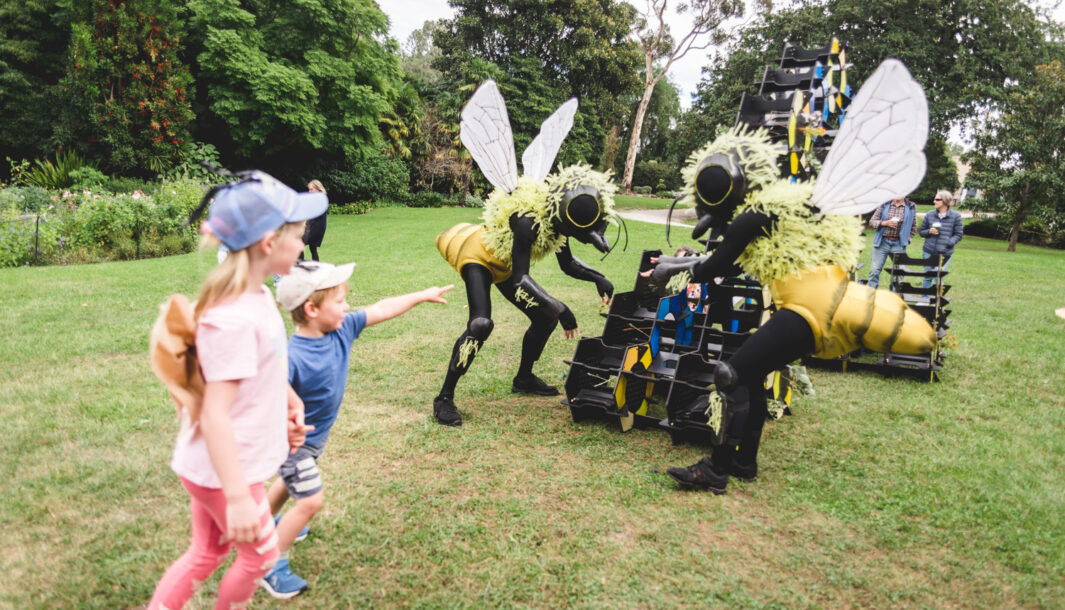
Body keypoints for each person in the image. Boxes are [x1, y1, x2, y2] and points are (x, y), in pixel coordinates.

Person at [148, 171, 327, 609]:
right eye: (299, 236)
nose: (303, 245)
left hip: (216, 465)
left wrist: (290, 400)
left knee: (207, 553)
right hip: (224, 472)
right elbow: (214, 414)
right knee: (262, 554)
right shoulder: (231, 318)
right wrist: (238, 501)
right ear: (269, 242)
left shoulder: (259, 297)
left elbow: (264, 369)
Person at [261, 262, 452, 598]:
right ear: (311, 309)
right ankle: (271, 564)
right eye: (340, 301)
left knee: (290, 483)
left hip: (313, 441)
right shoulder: (290, 357)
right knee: (310, 501)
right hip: (292, 444)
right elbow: (267, 398)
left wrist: (421, 295)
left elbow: (381, 309)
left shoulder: (342, 329)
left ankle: (262, 522)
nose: (347, 307)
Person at [865, 195, 918, 288]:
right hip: (882, 243)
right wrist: (884, 223)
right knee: (874, 271)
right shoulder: (885, 204)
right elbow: (872, 221)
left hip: (899, 244)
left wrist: (908, 240)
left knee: (899, 273)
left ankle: (894, 296)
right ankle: (870, 295)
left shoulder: (911, 206)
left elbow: (914, 226)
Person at [918, 189, 964, 289]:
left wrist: (949, 242)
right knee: (928, 276)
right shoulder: (930, 214)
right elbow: (921, 232)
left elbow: (959, 234)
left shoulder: (956, 216)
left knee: (938, 276)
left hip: (945, 252)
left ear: (945, 201)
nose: (934, 201)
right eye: (934, 199)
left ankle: (937, 301)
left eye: (937, 199)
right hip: (928, 251)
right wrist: (929, 231)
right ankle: (924, 299)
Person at [300, 180, 328, 261]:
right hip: (314, 226)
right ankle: (314, 267)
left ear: (318, 189)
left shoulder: (321, 198)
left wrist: (305, 223)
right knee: (313, 248)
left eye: (311, 189)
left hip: (316, 227)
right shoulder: (317, 197)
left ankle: (301, 265)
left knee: (300, 245)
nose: (309, 191)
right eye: (309, 189)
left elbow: (315, 214)